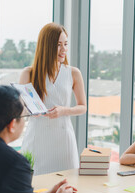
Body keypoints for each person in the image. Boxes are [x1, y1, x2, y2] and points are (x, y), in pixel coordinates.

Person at [20, 22, 87, 175]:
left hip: (63, 139)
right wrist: (31, 110)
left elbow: (83, 107)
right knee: (35, 187)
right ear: (46, 46)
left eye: (65, 44)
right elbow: (20, 109)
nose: (64, 49)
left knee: (67, 183)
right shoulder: (29, 73)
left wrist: (64, 110)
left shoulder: (73, 73)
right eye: (58, 45)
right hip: (37, 138)